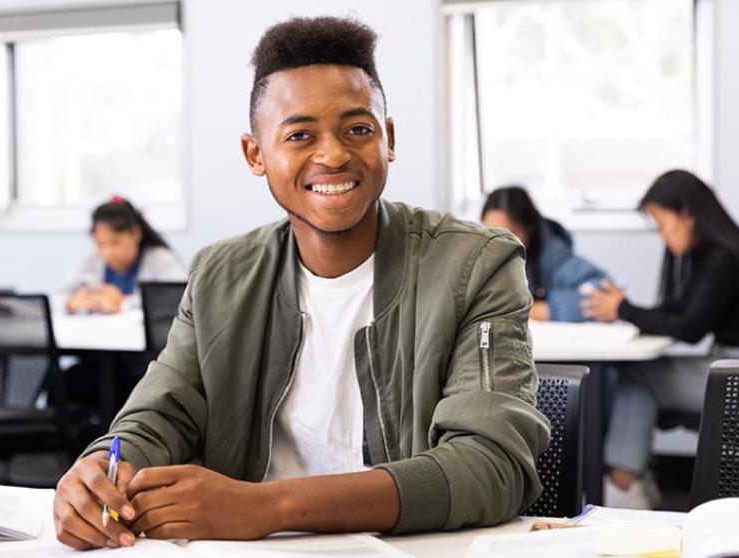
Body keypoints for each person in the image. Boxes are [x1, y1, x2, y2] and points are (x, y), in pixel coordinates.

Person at [52, 16, 550, 549]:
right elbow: (157, 417)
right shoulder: (219, 276)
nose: (333, 154)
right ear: (255, 154)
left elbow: (492, 466)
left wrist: (265, 506)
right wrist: (97, 473)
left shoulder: (477, 264)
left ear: (389, 140)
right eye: (299, 135)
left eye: (359, 129)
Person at [582, 169, 739, 509]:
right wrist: (628, 310)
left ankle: (624, 488)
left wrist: (625, 309)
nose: (663, 236)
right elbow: (682, 310)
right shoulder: (718, 254)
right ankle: (629, 483)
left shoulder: (723, 260)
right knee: (638, 377)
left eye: (662, 224)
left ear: (687, 213)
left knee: (638, 376)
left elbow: (691, 328)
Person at [482, 186, 610, 322]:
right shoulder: (482, 255)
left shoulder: (554, 257)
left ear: (527, 229)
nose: (499, 245)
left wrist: (542, 310)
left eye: (510, 234)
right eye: (491, 235)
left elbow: (605, 293)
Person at [62, 196, 186, 314]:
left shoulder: (161, 260)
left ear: (135, 234)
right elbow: (56, 298)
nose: (108, 252)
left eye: (115, 243)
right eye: (100, 244)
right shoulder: (92, 261)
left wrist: (123, 303)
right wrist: (71, 302)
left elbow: (180, 301)